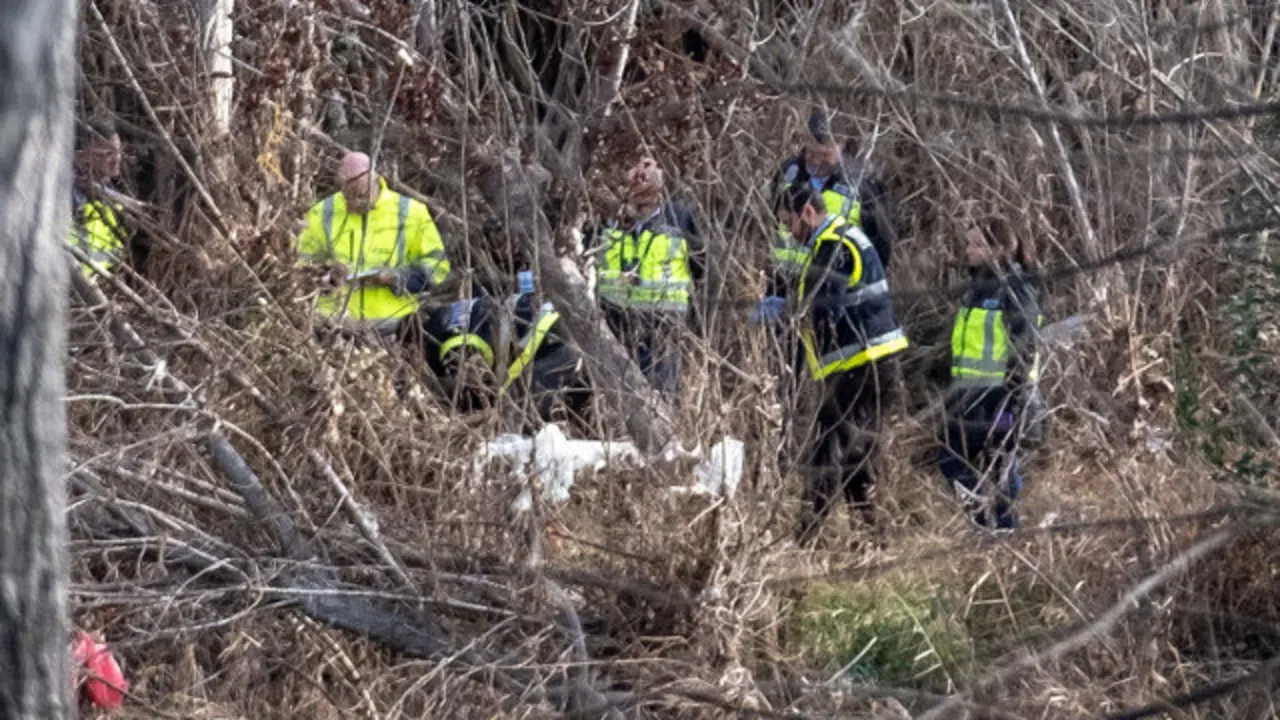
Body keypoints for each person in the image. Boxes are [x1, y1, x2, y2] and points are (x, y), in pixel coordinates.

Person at [766, 183, 909, 547]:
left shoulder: (835, 245)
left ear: (808, 213)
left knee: (827, 451)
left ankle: (807, 538)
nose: (789, 233)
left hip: (864, 363)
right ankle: (872, 537)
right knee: (854, 456)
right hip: (858, 363)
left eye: (790, 224)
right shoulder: (830, 242)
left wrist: (785, 310)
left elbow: (823, 304)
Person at [939, 219, 1043, 530]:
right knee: (953, 461)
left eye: (977, 245)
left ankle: (1005, 529)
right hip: (969, 394)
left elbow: (1025, 346)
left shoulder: (1013, 289)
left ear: (999, 249)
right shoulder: (977, 289)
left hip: (1001, 396)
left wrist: (1013, 398)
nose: (968, 250)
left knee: (1001, 467)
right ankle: (985, 525)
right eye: (969, 243)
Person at [294, 152, 451, 336]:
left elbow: (438, 268)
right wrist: (328, 275)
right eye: (348, 196)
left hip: (395, 325)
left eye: (361, 195)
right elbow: (299, 266)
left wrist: (396, 278)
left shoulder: (411, 213)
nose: (354, 202)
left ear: (375, 182)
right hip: (335, 324)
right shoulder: (322, 213)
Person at [594, 155, 702, 397]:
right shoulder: (609, 219)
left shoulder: (681, 217)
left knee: (659, 404)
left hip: (662, 330)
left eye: (647, 165)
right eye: (632, 165)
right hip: (616, 326)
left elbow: (702, 269)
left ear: (663, 172)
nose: (639, 173)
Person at [773, 110, 896, 273]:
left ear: (841, 145)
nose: (816, 160)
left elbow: (881, 244)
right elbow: (772, 218)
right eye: (812, 153)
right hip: (783, 280)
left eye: (824, 155)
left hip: (836, 285)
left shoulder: (862, 184)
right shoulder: (789, 171)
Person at [70, 119, 131, 278]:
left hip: (109, 281)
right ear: (82, 156)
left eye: (119, 152)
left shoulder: (108, 189)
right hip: (79, 286)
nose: (117, 159)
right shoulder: (70, 192)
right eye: (109, 154)